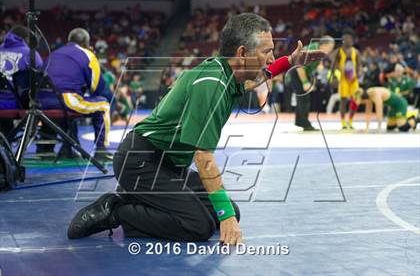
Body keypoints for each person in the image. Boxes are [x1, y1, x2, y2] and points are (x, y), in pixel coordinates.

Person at [67, 13, 326, 245]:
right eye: (267, 51)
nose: (271, 57)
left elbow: (258, 77)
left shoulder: (229, 73)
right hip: (140, 162)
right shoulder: (212, 84)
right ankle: (117, 209)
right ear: (242, 52)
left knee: (231, 211)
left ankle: (143, 200)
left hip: (168, 165)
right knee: (198, 226)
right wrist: (224, 217)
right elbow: (203, 158)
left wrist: (288, 61)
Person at [45, 28, 112, 161]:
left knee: (67, 109)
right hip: (65, 99)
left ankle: (48, 150)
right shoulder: (87, 54)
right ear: (86, 43)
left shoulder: (53, 53)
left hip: (42, 101)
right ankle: (101, 150)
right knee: (103, 105)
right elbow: (97, 88)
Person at [0, 25, 43, 137]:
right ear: (26, 39)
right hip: (14, 102)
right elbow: (39, 79)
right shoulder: (30, 53)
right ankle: (42, 145)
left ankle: (6, 140)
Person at [286, 36, 335, 130]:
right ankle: (305, 124)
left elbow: (314, 65)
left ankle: (300, 121)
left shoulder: (320, 52)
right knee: (304, 98)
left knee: (302, 97)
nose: (330, 50)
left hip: (304, 73)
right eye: (330, 47)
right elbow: (299, 65)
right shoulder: (311, 49)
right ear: (324, 45)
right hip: (297, 72)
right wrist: (305, 82)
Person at [332, 31, 361, 130]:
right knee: (343, 100)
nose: (350, 41)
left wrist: (359, 73)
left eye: (351, 39)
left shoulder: (356, 51)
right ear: (343, 41)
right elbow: (333, 65)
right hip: (343, 79)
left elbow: (359, 64)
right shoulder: (338, 51)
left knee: (356, 99)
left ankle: (351, 120)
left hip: (353, 79)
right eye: (347, 39)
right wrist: (334, 76)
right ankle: (343, 122)